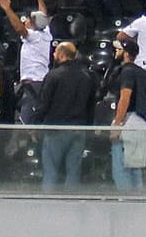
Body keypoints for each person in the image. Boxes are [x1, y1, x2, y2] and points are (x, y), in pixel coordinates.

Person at [39, 42, 94, 189]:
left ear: (62, 54)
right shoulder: (86, 76)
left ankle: (49, 205)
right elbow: (91, 105)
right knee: (74, 172)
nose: (53, 55)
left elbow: (44, 103)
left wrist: (34, 124)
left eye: (55, 52)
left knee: (51, 171)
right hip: (79, 129)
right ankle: (72, 205)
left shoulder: (54, 75)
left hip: (56, 129)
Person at [107, 38, 146, 190]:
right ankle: (138, 204)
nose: (116, 52)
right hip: (141, 122)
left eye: (119, 50)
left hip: (128, 121)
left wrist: (117, 125)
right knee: (136, 168)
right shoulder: (145, 74)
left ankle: (125, 203)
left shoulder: (127, 71)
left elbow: (125, 98)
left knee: (121, 168)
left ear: (126, 53)